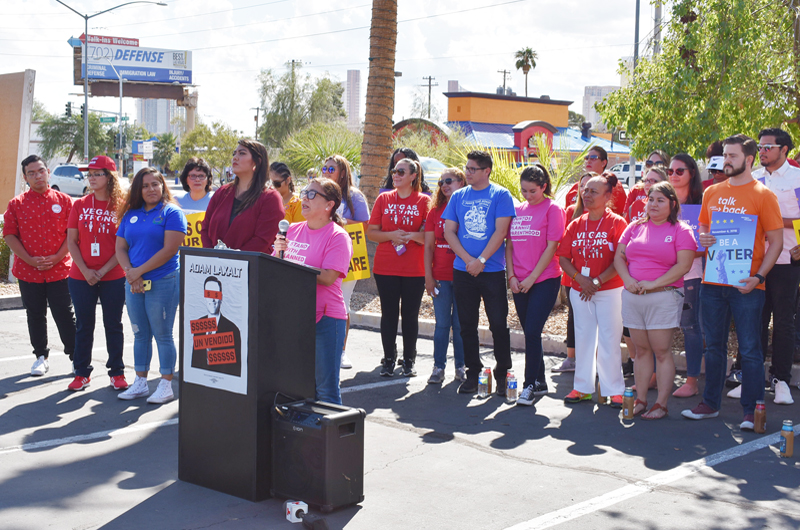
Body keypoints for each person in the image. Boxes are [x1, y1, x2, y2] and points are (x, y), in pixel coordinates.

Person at [682, 134, 783, 431]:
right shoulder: (713, 192)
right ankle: (710, 404)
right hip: (713, 280)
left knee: (750, 349)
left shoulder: (763, 195)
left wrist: (759, 277)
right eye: (725, 155)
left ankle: (751, 411)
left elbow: (776, 242)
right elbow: (703, 223)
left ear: (749, 159)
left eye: (733, 156)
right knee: (713, 346)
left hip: (746, 285)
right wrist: (703, 236)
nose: (726, 160)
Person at [614, 181, 696, 419]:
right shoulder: (634, 227)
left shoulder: (681, 230)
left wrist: (652, 284)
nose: (654, 204)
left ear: (672, 204)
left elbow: (684, 265)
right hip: (633, 296)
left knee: (661, 351)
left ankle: (660, 404)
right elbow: (619, 257)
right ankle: (640, 399)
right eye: (651, 199)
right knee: (641, 351)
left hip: (664, 297)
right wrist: (627, 280)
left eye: (660, 200)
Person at [274, 178, 353, 404]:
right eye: (304, 192)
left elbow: (328, 277)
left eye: (311, 195)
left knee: (326, 391)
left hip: (326, 320)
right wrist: (277, 255)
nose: (303, 199)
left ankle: (331, 439)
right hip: (294, 318)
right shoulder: (291, 230)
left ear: (329, 205)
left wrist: (291, 267)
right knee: (296, 387)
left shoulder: (338, 236)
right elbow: (274, 269)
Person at [443, 150, 515, 395]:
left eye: (473, 169)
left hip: (492, 271)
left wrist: (482, 260)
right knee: (466, 325)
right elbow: (449, 231)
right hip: (463, 271)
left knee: (498, 323)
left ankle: (503, 373)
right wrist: (468, 260)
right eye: (467, 168)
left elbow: (500, 231)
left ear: (487, 171)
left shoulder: (501, 195)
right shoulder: (458, 197)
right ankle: (473, 373)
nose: (468, 172)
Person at [115, 167, 187, 404]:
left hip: (163, 281)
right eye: (145, 186)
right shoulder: (131, 214)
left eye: (155, 184)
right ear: (139, 190)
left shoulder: (172, 212)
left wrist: (138, 272)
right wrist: (131, 274)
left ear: (162, 185)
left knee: (163, 334)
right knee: (139, 334)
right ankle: (140, 382)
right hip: (134, 282)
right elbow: (120, 248)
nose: (150, 189)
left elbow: (169, 250)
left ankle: (165, 384)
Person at [556, 173, 627, 406]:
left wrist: (596, 282)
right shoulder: (576, 223)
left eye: (593, 191)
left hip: (610, 291)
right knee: (584, 339)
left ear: (608, 196)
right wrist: (580, 279)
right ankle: (582, 388)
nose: (586, 194)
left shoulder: (617, 223)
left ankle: (613, 389)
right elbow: (564, 257)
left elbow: (620, 260)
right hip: (580, 290)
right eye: (584, 190)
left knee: (609, 339)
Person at [3, 155, 75, 377]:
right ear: (25, 177)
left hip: (60, 269)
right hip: (28, 270)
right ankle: (40, 357)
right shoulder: (16, 204)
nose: (37, 176)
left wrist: (56, 257)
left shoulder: (64, 201)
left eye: (41, 171)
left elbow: (72, 236)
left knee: (64, 313)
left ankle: (76, 357)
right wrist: (29, 259)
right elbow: (10, 235)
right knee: (35, 314)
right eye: (31, 173)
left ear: (48, 172)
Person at [66, 155, 128, 391]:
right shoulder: (80, 204)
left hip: (113, 275)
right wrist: (85, 270)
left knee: (113, 324)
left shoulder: (122, 205)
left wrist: (101, 271)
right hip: (80, 276)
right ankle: (81, 373)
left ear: (109, 177)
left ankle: (117, 372)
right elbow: (72, 242)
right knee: (84, 325)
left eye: (97, 174)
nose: (91, 178)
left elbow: (123, 245)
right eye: (89, 174)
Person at [506, 164, 565, 404]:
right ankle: (540, 381)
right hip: (519, 281)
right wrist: (511, 277)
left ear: (543, 187)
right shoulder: (517, 209)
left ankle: (528, 385)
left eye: (533, 191)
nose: (528, 196)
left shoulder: (553, 209)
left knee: (531, 331)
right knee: (531, 332)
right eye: (524, 191)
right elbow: (509, 245)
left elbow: (552, 247)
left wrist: (531, 278)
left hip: (544, 279)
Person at [367, 158, 431, 377]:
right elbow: (371, 232)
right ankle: (388, 358)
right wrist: (391, 236)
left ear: (413, 176)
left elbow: (428, 237)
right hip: (385, 267)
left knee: (410, 315)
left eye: (401, 172)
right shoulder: (384, 199)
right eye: (394, 171)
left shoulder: (424, 201)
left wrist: (410, 236)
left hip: (414, 268)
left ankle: (409, 359)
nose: (396, 174)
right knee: (389, 314)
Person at [753, 127, 800, 405]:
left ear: (784, 150)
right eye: (760, 147)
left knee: (783, 322)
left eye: (768, 147)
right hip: (754, 260)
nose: (762, 151)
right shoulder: (753, 179)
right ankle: (751, 376)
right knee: (754, 319)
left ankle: (780, 379)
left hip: (786, 261)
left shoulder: (797, 178)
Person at [324, 155, 370, 369]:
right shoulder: (318, 191)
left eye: (331, 168)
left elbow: (365, 226)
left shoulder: (355, 197)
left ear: (342, 172)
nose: (326, 171)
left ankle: (341, 351)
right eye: (324, 168)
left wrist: (338, 221)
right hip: (320, 255)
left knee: (342, 303)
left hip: (347, 259)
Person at [667, 154, 706, 398]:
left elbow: (709, 244)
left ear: (692, 173)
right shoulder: (663, 202)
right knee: (658, 327)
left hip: (692, 275)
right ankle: (652, 375)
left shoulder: (704, 204)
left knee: (691, 327)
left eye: (679, 171)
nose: (673, 175)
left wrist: (685, 249)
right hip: (661, 277)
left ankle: (692, 382)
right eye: (669, 171)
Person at [201, 139, 284, 252]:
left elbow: (262, 241)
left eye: (242, 153)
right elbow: (205, 228)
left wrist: (231, 260)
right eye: (234, 153)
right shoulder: (222, 192)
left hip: (251, 266)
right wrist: (212, 257)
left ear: (257, 162)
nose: (235, 157)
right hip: (214, 266)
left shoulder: (270, 198)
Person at [424, 167, 467, 384]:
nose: (444, 185)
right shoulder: (434, 211)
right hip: (440, 277)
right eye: (441, 182)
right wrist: (428, 277)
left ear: (462, 182)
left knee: (460, 325)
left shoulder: (468, 208)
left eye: (449, 180)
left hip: (464, 276)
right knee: (442, 324)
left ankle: (461, 367)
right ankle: (438, 367)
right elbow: (429, 247)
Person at [553, 172, 593, 374]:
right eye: (582, 186)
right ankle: (571, 358)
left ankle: (591, 360)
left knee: (593, 317)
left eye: (590, 186)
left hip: (596, 277)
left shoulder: (606, 215)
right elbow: (562, 243)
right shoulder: (570, 211)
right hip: (572, 274)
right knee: (573, 315)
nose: (585, 190)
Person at [190, 276, 242, 376]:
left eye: (216, 295)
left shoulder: (232, 329)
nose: (212, 299)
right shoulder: (199, 325)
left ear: (221, 297)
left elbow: (235, 369)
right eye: (209, 294)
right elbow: (195, 362)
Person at [564, 146, 627, 215]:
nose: (588, 161)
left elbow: (622, 213)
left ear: (603, 163)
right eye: (586, 158)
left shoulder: (614, 186)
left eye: (593, 158)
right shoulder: (576, 187)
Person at [625, 151, 670, 222]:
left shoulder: (670, 199)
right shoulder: (636, 191)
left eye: (658, 164)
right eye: (649, 164)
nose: (653, 167)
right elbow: (627, 217)